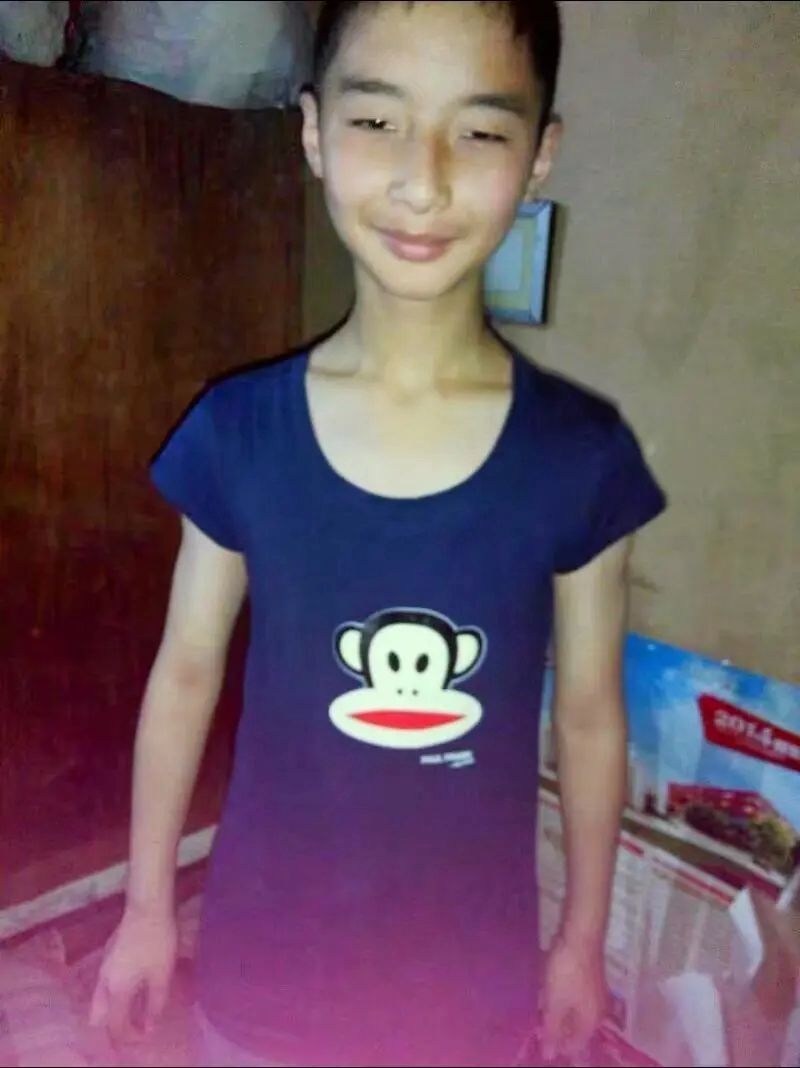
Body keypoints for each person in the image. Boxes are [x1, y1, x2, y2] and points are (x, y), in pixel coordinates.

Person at [90, 2, 666, 1066]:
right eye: (376, 121)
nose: (423, 179)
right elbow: (185, 672)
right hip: (260, 982)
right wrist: (145, 907)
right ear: (313, 132)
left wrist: (582, 941)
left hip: (469, 996)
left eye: (478, 131)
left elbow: (589, 717)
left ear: (540, 153)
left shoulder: (582, 458)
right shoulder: (238, 431)